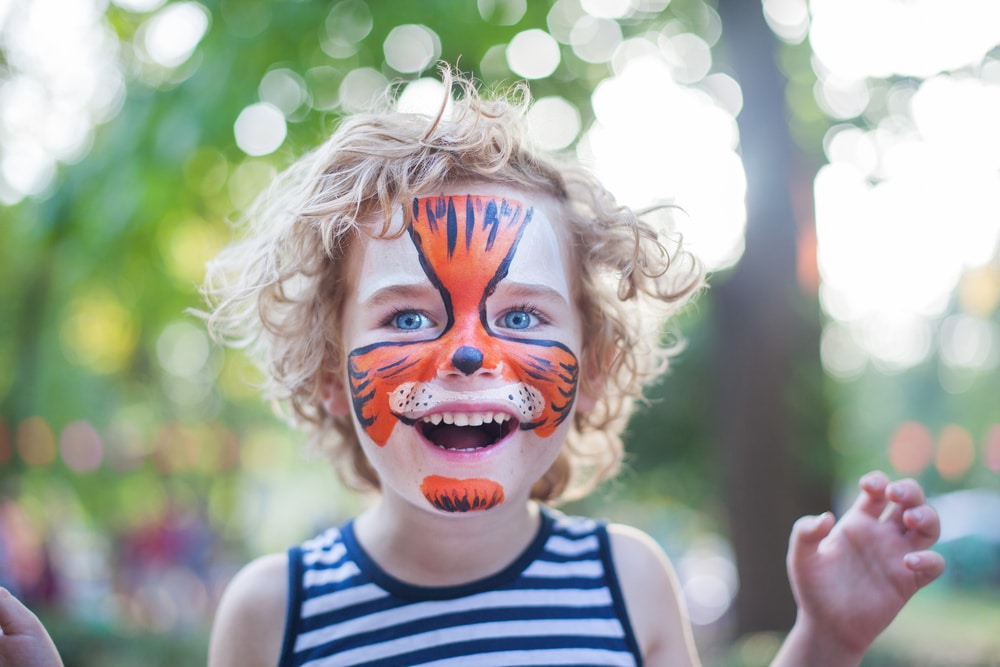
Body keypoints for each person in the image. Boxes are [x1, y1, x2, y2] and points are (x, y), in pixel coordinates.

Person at [0, 70, 945, 667]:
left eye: (523, 315)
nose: (464, 351)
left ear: (592, 361)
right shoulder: (273, 614)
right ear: (331, 374)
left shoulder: (629, 584)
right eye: (408, 312)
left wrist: (824, 642)